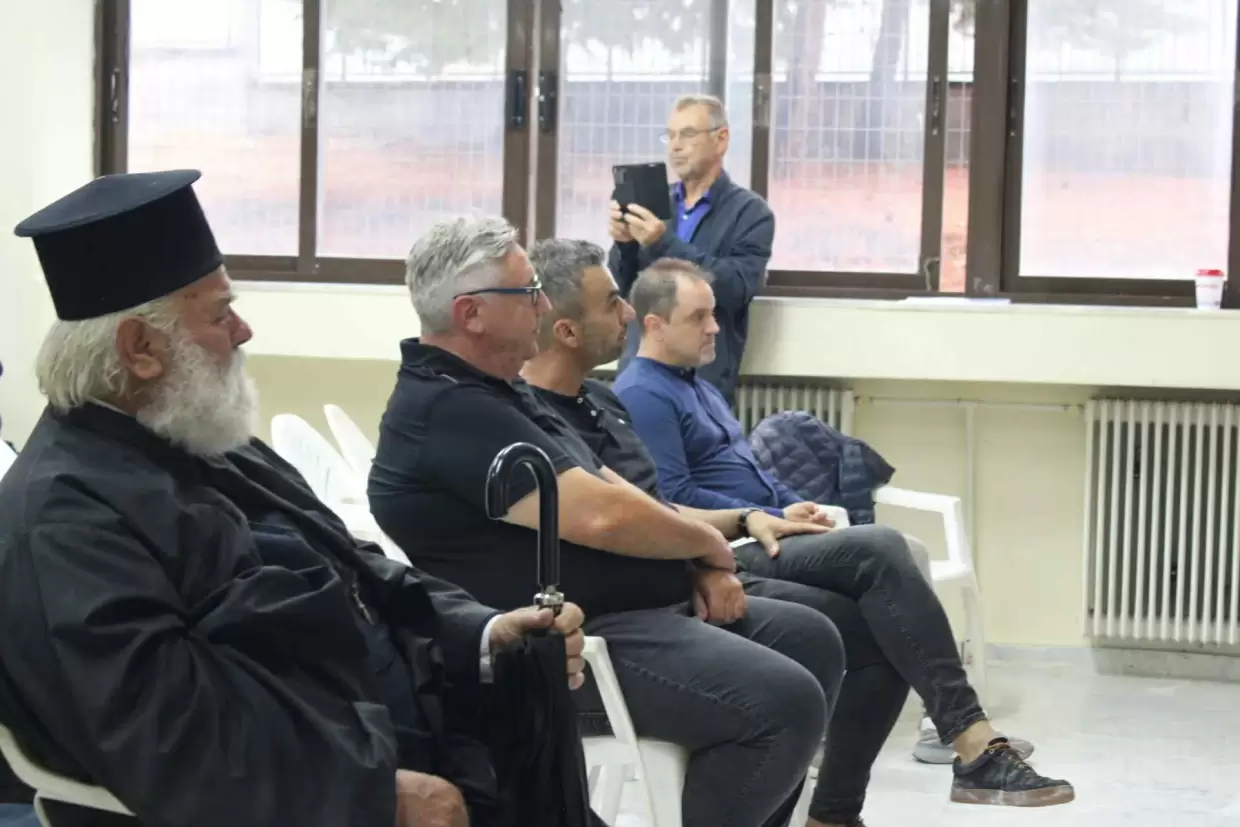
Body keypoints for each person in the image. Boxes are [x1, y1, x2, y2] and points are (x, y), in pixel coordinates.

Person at [0, 170, 589, 827]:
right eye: (220, 313)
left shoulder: (207, 444)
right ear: (140, 349)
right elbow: (168, 734)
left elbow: (357, 567)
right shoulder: (65, 518)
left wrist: (482, 634)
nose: (243, 330)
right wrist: (376, 796)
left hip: (413, 751)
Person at [524, 242, 1076, 823]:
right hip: (713, 560)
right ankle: (969, 737)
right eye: (699, 317)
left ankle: (835, 813)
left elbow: (659, 501)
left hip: (724, 543)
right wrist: (725, 540)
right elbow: (650, 509)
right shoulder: (637, 395)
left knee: (875, 628)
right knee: (883, 551)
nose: (715, 328)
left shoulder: (648, 394)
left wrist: (778, 508)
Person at [368, 216, 844, 827]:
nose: (543, 306)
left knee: (812, 638)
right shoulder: (446, 408)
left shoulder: (501, 390)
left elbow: (611, 485)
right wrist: (708, 543)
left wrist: (694, 555)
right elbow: (599, 516)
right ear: (472, 314)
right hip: (570, 647)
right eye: (527, 293)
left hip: (636, 614)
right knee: (783, 702)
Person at [608, 93, 773, 405]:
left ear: (721, 139)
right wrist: (625, 245)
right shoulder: (656, 202)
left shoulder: (750, 212)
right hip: (639, 370)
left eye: (687, 134)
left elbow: (736, 287)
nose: (675, 146)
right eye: (670, 135)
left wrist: (661, 242)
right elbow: (624, 288)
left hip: (702, 380)